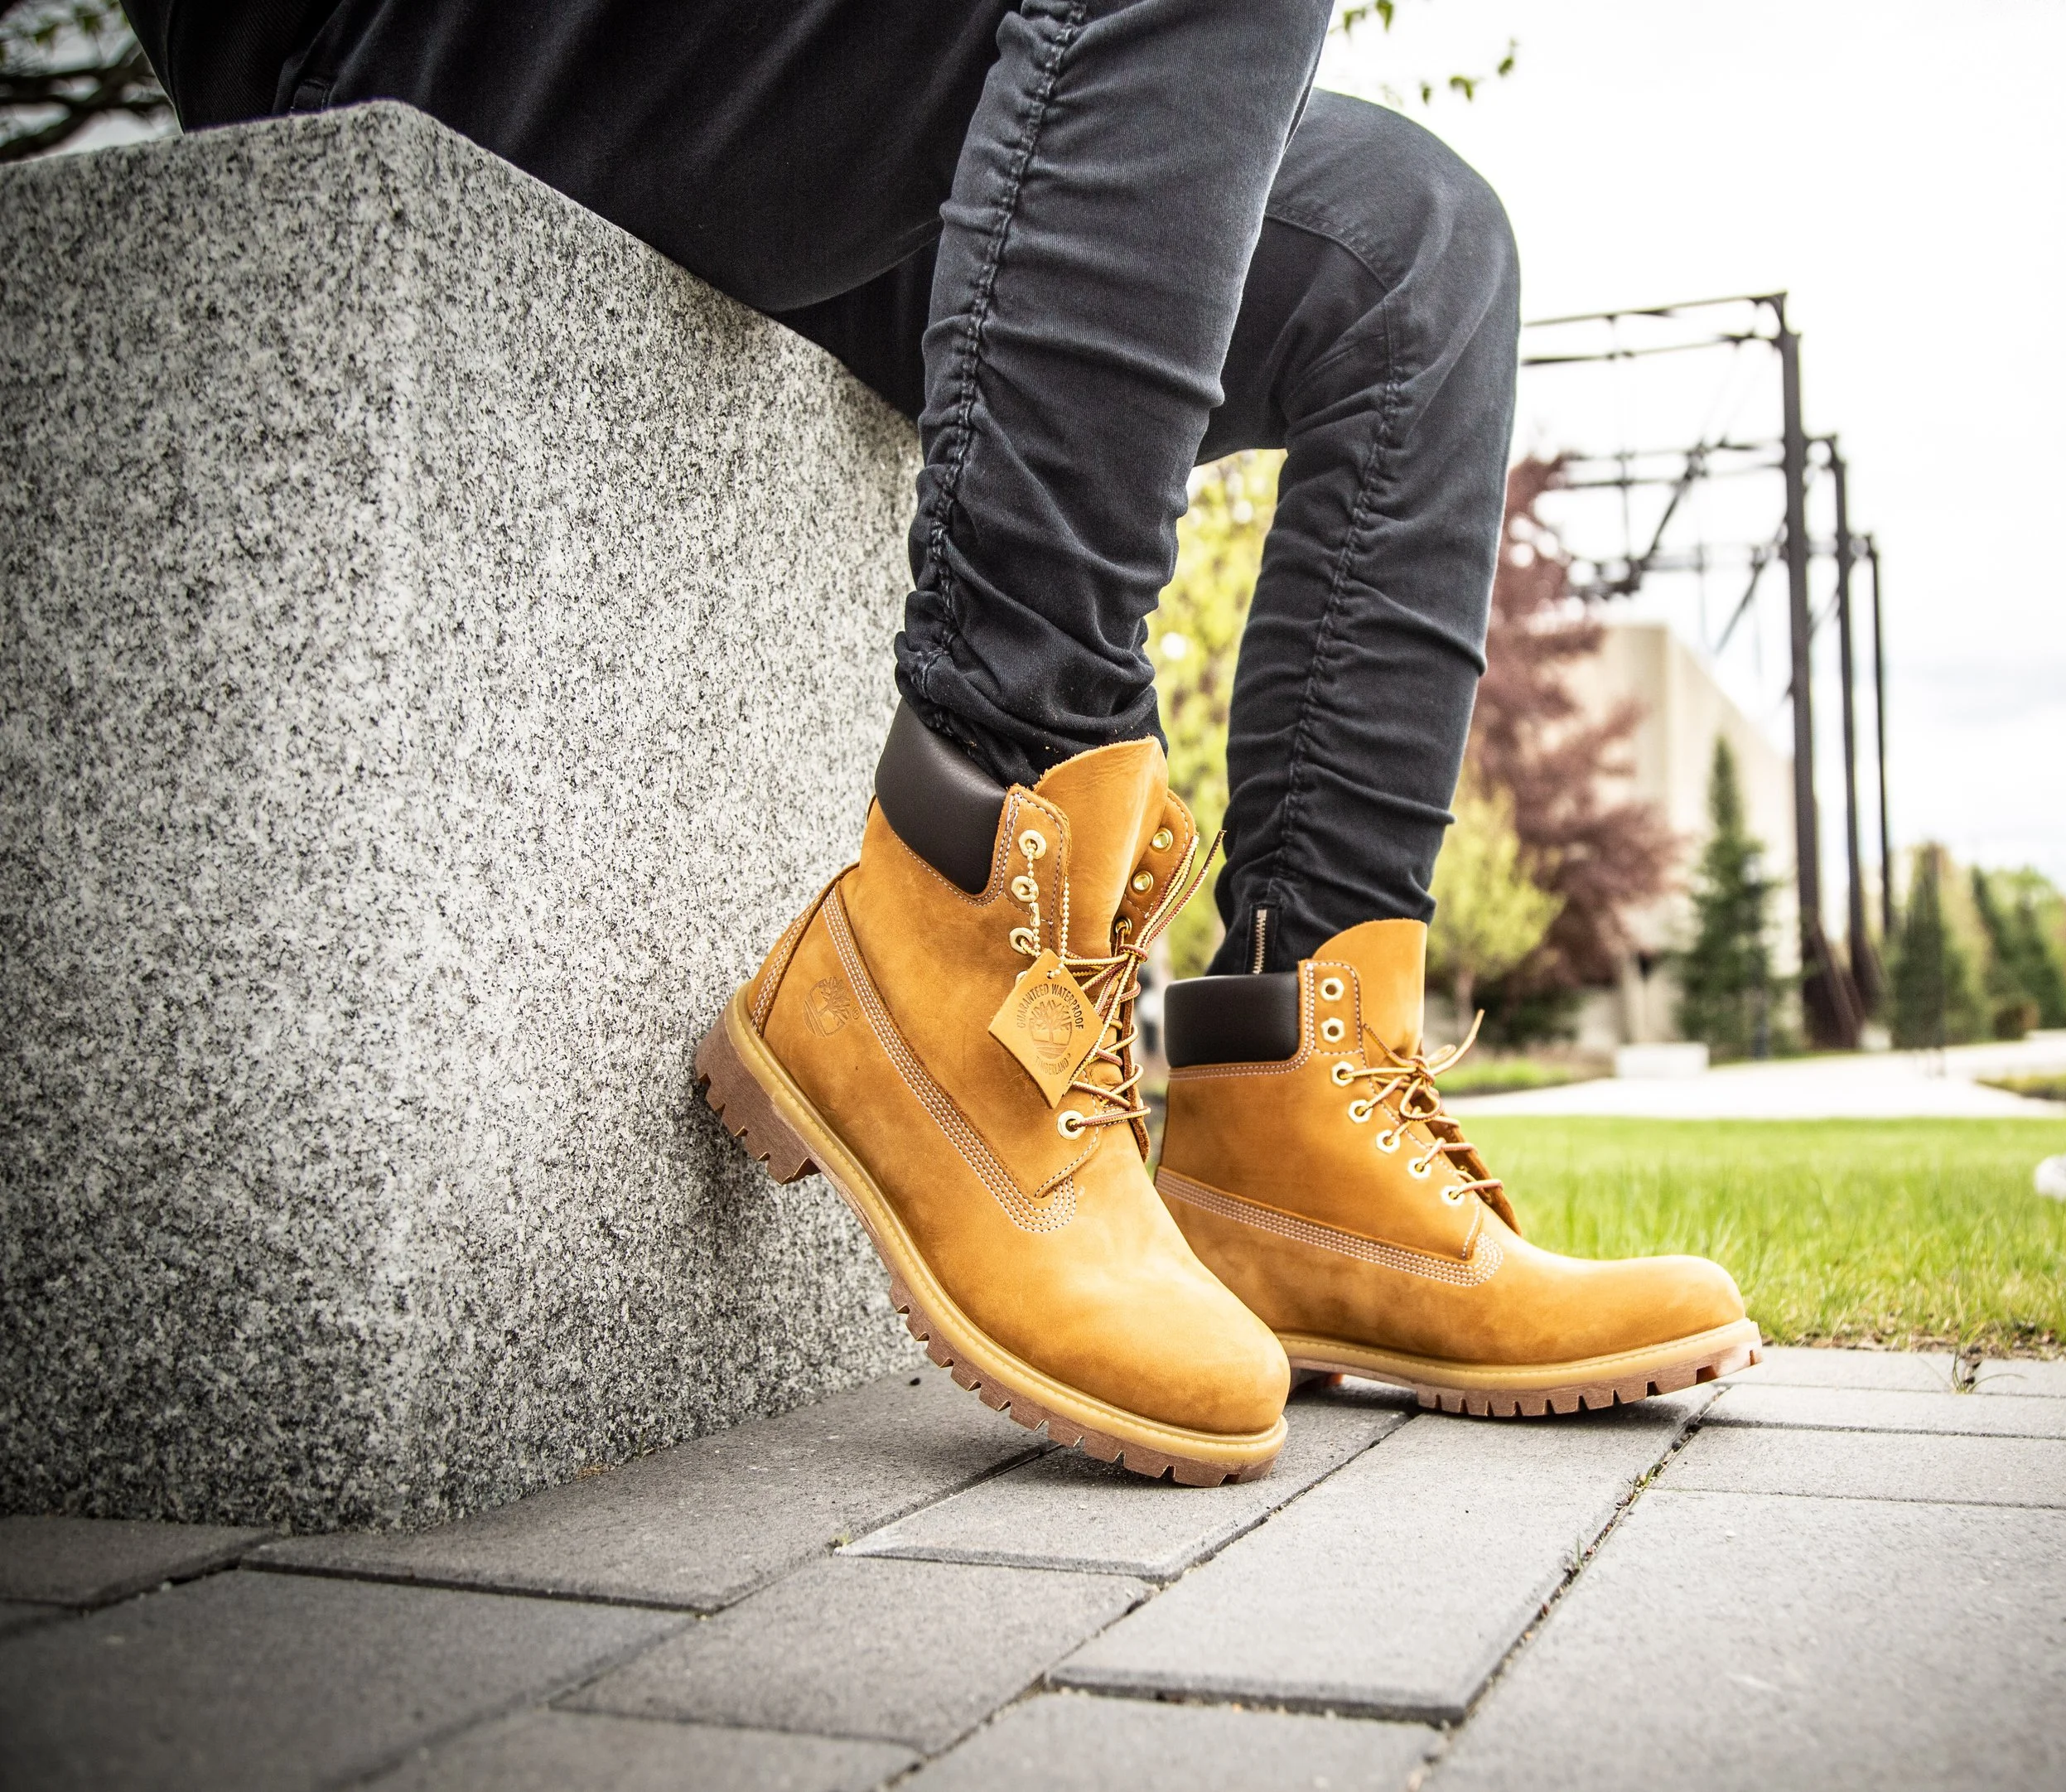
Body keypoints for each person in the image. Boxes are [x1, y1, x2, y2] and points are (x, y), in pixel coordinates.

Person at [129, 0, 1759, 1484]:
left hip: (775, 102)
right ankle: (959, 916)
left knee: (1413, 245)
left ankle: (1293, 1119)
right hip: (408, 34)